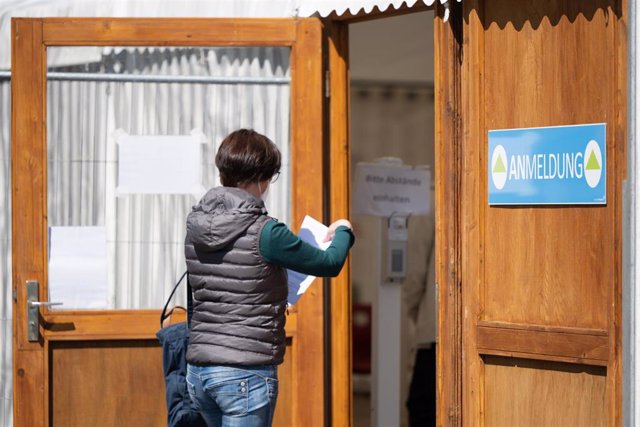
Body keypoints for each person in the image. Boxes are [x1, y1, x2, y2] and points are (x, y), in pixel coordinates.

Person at [184, 129, 355, 427]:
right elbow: (329, 263)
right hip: (245, 373)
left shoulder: (196, 226)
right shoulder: (265, 232)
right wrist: (343, 230)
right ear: (262, 177)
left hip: (200, 371)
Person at [404, 214, 436, 427]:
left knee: (421, 407)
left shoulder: (429, 204)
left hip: (435, 330)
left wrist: (413, 310)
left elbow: (414, 274)